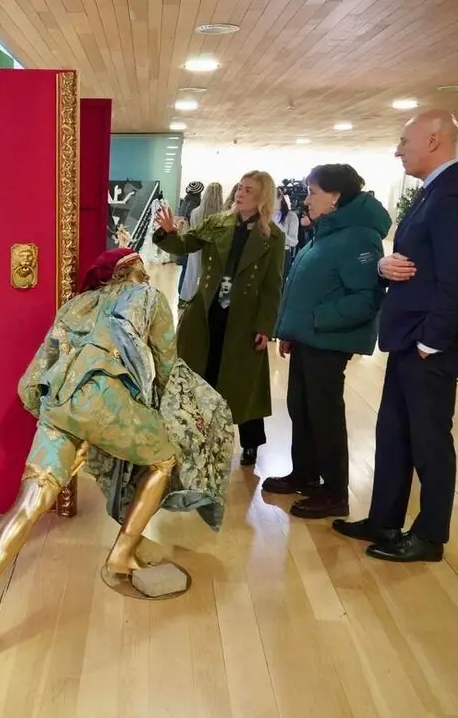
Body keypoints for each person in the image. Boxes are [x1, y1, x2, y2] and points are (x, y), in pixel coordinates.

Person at [0, 249, 233, 651]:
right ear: (130, 271)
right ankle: (121, 554)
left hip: (59, 404)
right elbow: (167, 367)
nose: (147, 276)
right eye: (142, 270)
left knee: (28, 505)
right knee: (164, 459)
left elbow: (34, 376)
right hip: (106, 401)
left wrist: (65, 424)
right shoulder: (147, 298)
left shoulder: (75, 305)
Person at [333, 110, 458, 563]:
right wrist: (383, 266)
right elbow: (415, 262)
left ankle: (430, 536)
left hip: (428, 344)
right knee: (394, 433)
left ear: (434, 140)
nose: (398, 150)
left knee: (429, 442)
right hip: (409, 338)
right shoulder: (434, 192)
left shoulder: (455, 196)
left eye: (404, 141)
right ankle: (384, 519)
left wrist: (430, 342)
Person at [266, 164, 390, 519]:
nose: (307, 199)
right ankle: (305, 474)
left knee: (324, 415)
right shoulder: (329, 231)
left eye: (313, 192)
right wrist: (293, 330)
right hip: (308, 338)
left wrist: (316, 320)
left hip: (328, 341)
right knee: (301, 408)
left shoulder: (359, 236)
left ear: (335, 196)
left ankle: (335, 492)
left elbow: (366, 298)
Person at [153, 171, 287, 468]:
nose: (240, 193)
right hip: (206, 313)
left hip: (244, 320)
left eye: (249, 190)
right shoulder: (217, 223)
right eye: (240, 187)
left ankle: (251, 442)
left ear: (263, 196)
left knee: (244, 384)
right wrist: (169, 233)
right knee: (202, 374)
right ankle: (194, 435)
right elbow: (184, 246)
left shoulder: (273, 237)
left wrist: (265, 326)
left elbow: (272, 285)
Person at [177, 182, 224, 310]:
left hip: (196, 246)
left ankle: (185, 299)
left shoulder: (195, 212)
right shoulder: (222, 214)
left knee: (191, 273)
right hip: (213, 249)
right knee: (210, 275)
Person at [274, 187, 301, 276]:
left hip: (283, 254)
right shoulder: (263, 215)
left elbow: (294, 242)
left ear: (280, 198)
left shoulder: (291, 216)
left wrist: (276, 226)